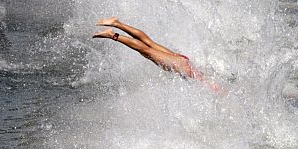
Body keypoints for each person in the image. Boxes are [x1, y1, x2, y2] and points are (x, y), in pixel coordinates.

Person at [93, 18, 222, 92]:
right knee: (146, 51)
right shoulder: (215, 90)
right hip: (181, 66)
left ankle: (117, 23)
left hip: (184, 61)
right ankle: (112, 35)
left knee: (149, 44)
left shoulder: (216, 83)